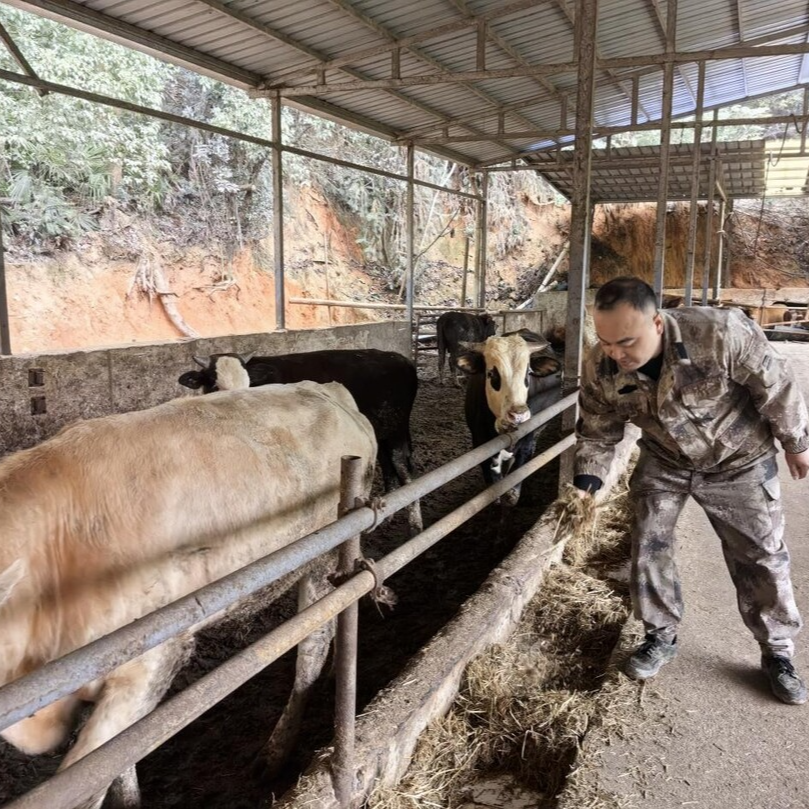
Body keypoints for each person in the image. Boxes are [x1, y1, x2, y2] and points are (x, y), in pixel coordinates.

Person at [574, 276, 809, 705]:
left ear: (658, 323)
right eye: (606, 342)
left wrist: (796, 443)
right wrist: (586, 483)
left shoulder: (719, 334)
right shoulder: (600, 365)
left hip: (739, 458)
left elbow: (775, 385)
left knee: (760, 553)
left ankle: (777, 652)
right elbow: (597, 429)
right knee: (648, 544)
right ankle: (659, 635)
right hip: (665, 459)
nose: (615, 354)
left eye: (626, 341)